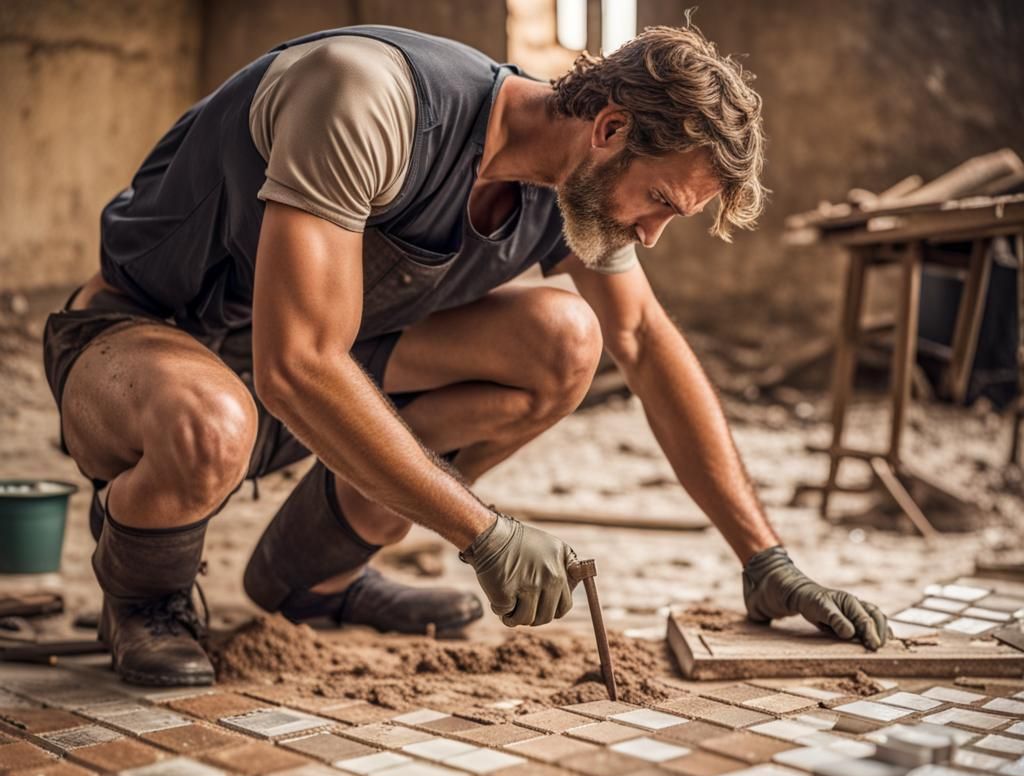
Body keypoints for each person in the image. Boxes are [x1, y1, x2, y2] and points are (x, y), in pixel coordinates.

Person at [43, 19, 888, 687]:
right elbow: (295, 364)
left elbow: (643, 341)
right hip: (140, 341)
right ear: (610, 127)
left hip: (305, 373)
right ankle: (145, 597)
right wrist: (480, 533)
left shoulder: (573, 188)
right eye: (660, 201)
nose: (653, 235)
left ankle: (315, 582)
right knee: (209, 424)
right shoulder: (368, 98)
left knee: (568, 341)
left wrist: (764, 556)